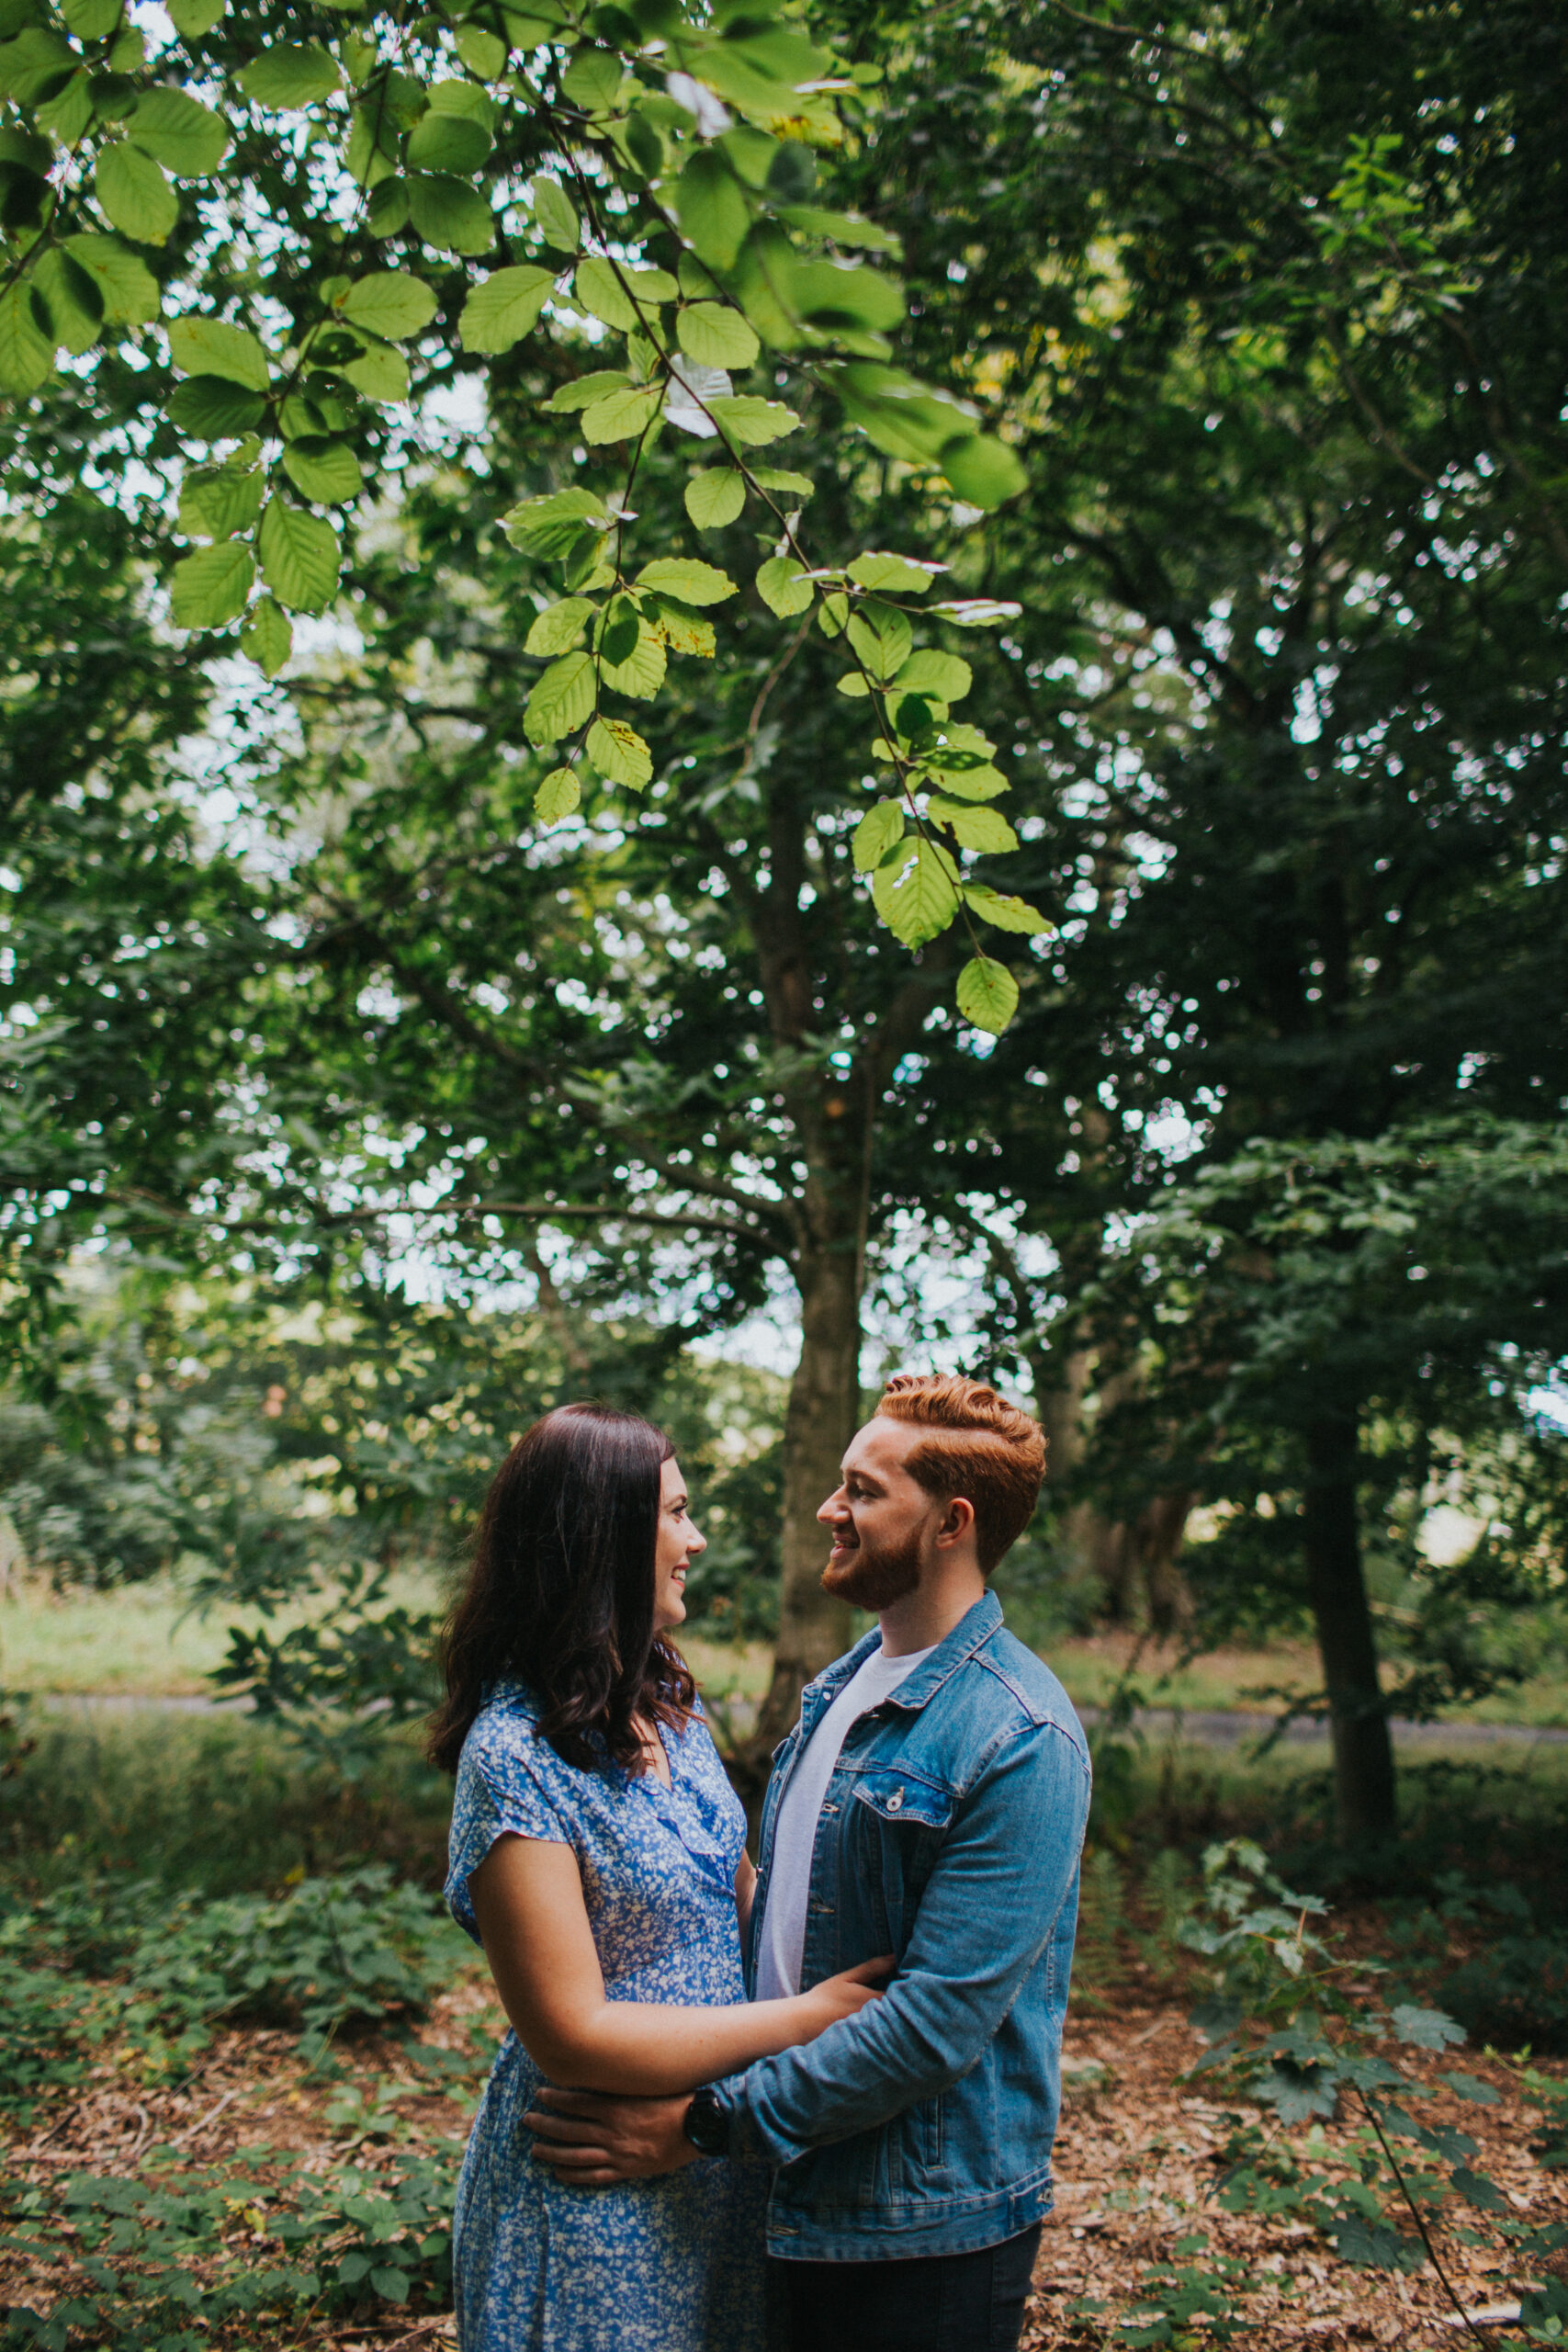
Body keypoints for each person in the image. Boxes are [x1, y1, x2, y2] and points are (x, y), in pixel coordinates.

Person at [525, 1374, 1092, 2352]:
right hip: (781, 2185)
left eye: (864, 1492)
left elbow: (929, 2030)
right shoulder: (841, 1688)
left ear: (950, 1522)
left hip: (916, 2230)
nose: (832, 1509)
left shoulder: (1022, 1735)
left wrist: (701, 2125)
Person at [427, 1403, 890, 2352]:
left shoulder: (668, 1704)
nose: (697, 1536)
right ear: (598, 1535)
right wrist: (810, 2019)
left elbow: (739, 1887)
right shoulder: (513, 1754)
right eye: (675, 1513)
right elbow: (573, 2033)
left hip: (712, 2153)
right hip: (596, 2184)